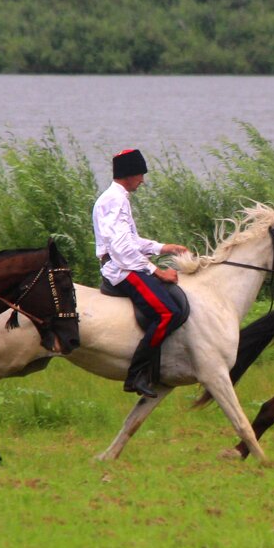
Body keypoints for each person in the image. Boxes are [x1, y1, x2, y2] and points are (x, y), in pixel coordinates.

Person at [93, 148, 189, 398]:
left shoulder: (118, 197)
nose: (143, 180)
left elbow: (131, 240)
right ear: (128, 175)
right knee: (169, 313)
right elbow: (122, 250)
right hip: (122, 269)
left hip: (126, 263)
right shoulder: (115, 200)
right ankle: (136, 374)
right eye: (140, 175)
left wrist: (162, 247)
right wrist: (158, 272)